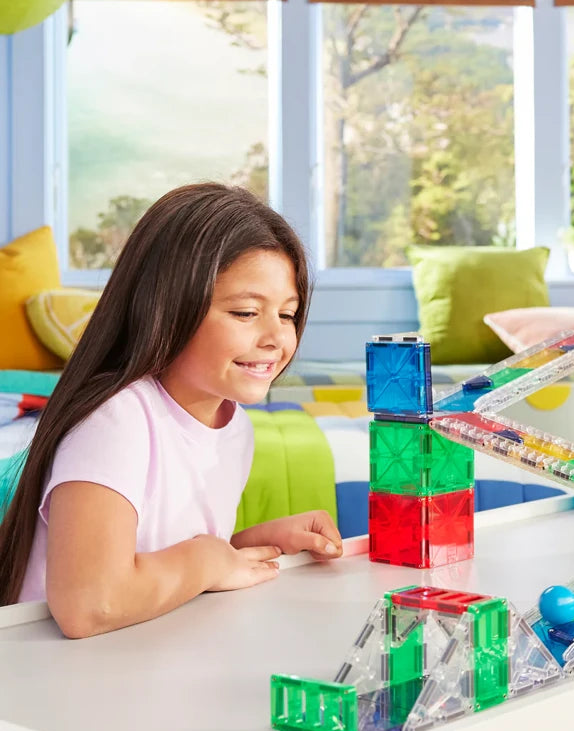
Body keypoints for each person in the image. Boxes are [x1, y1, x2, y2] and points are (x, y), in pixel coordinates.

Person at [0, 183, 342, 635]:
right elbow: (90, 603)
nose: (276, 338)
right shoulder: (116, 418)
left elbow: (158, 565)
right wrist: (206, 557)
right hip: (48, 682)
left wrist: (251, 546)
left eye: (287, 314)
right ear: (166, 308)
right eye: (245, 313)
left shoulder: (234, 427)